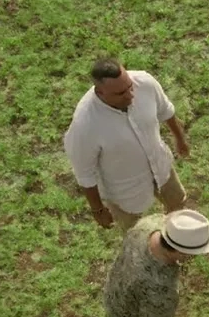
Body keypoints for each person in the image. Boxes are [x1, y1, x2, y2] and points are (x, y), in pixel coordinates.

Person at [64, 58, 193, 234]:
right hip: (124, 191)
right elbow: (85, 174)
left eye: (129, 86)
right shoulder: (84, 125)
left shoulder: (145, 82)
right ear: (100, 92)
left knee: (178, 204)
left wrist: (180, 138)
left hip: (161, 166)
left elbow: (166, 111)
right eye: (120, 93)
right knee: (136, 233)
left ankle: (176, 238)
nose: (131, 95)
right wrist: (98, 209)